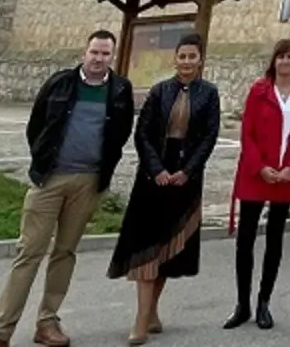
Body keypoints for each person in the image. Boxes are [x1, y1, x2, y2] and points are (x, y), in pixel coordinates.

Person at [0, 31, 135, 347]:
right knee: (29, 252)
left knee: (65, 253)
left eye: (105, 54)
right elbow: (36, 125)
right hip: (50, 180)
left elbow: (120, 134)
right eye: (94, 52)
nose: (99, 59)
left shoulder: (120, 90)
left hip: (88, 182)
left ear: (113, 57)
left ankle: (47, 322)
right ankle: (0, 332)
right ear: (84, 52)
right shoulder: (60, 82)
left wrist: (101, 170)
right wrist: (42, 161)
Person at [107, 32, 221, 346]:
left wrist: (187, 171)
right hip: (153, 177)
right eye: (182, 56)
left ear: (200, 60)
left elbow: (209, 137)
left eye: (192, 57)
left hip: (186, 176)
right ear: (176, 59)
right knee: (147, 248)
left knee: (168, 250)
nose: (186, 62)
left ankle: (152, 312)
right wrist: (157, 169)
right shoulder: (159, 91)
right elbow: (142, 133)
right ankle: (141, 320)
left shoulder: (209, 94)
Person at [223, 38, 290, 330]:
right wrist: (260, 167)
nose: (285, 61)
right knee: (246, 240)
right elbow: (247, 133)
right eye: (281, 56)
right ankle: (242, 304)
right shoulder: (259, 90)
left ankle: (264, 302)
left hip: (286, 175)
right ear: (274, 61)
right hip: (257, 173)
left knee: (275, 239)